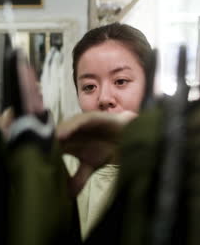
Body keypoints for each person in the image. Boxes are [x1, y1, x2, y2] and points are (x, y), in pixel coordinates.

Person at [57, 22, 152, 239]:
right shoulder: (63, 166)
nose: (104, 99)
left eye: (121, 81)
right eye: (89, 86)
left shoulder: (172, 161)